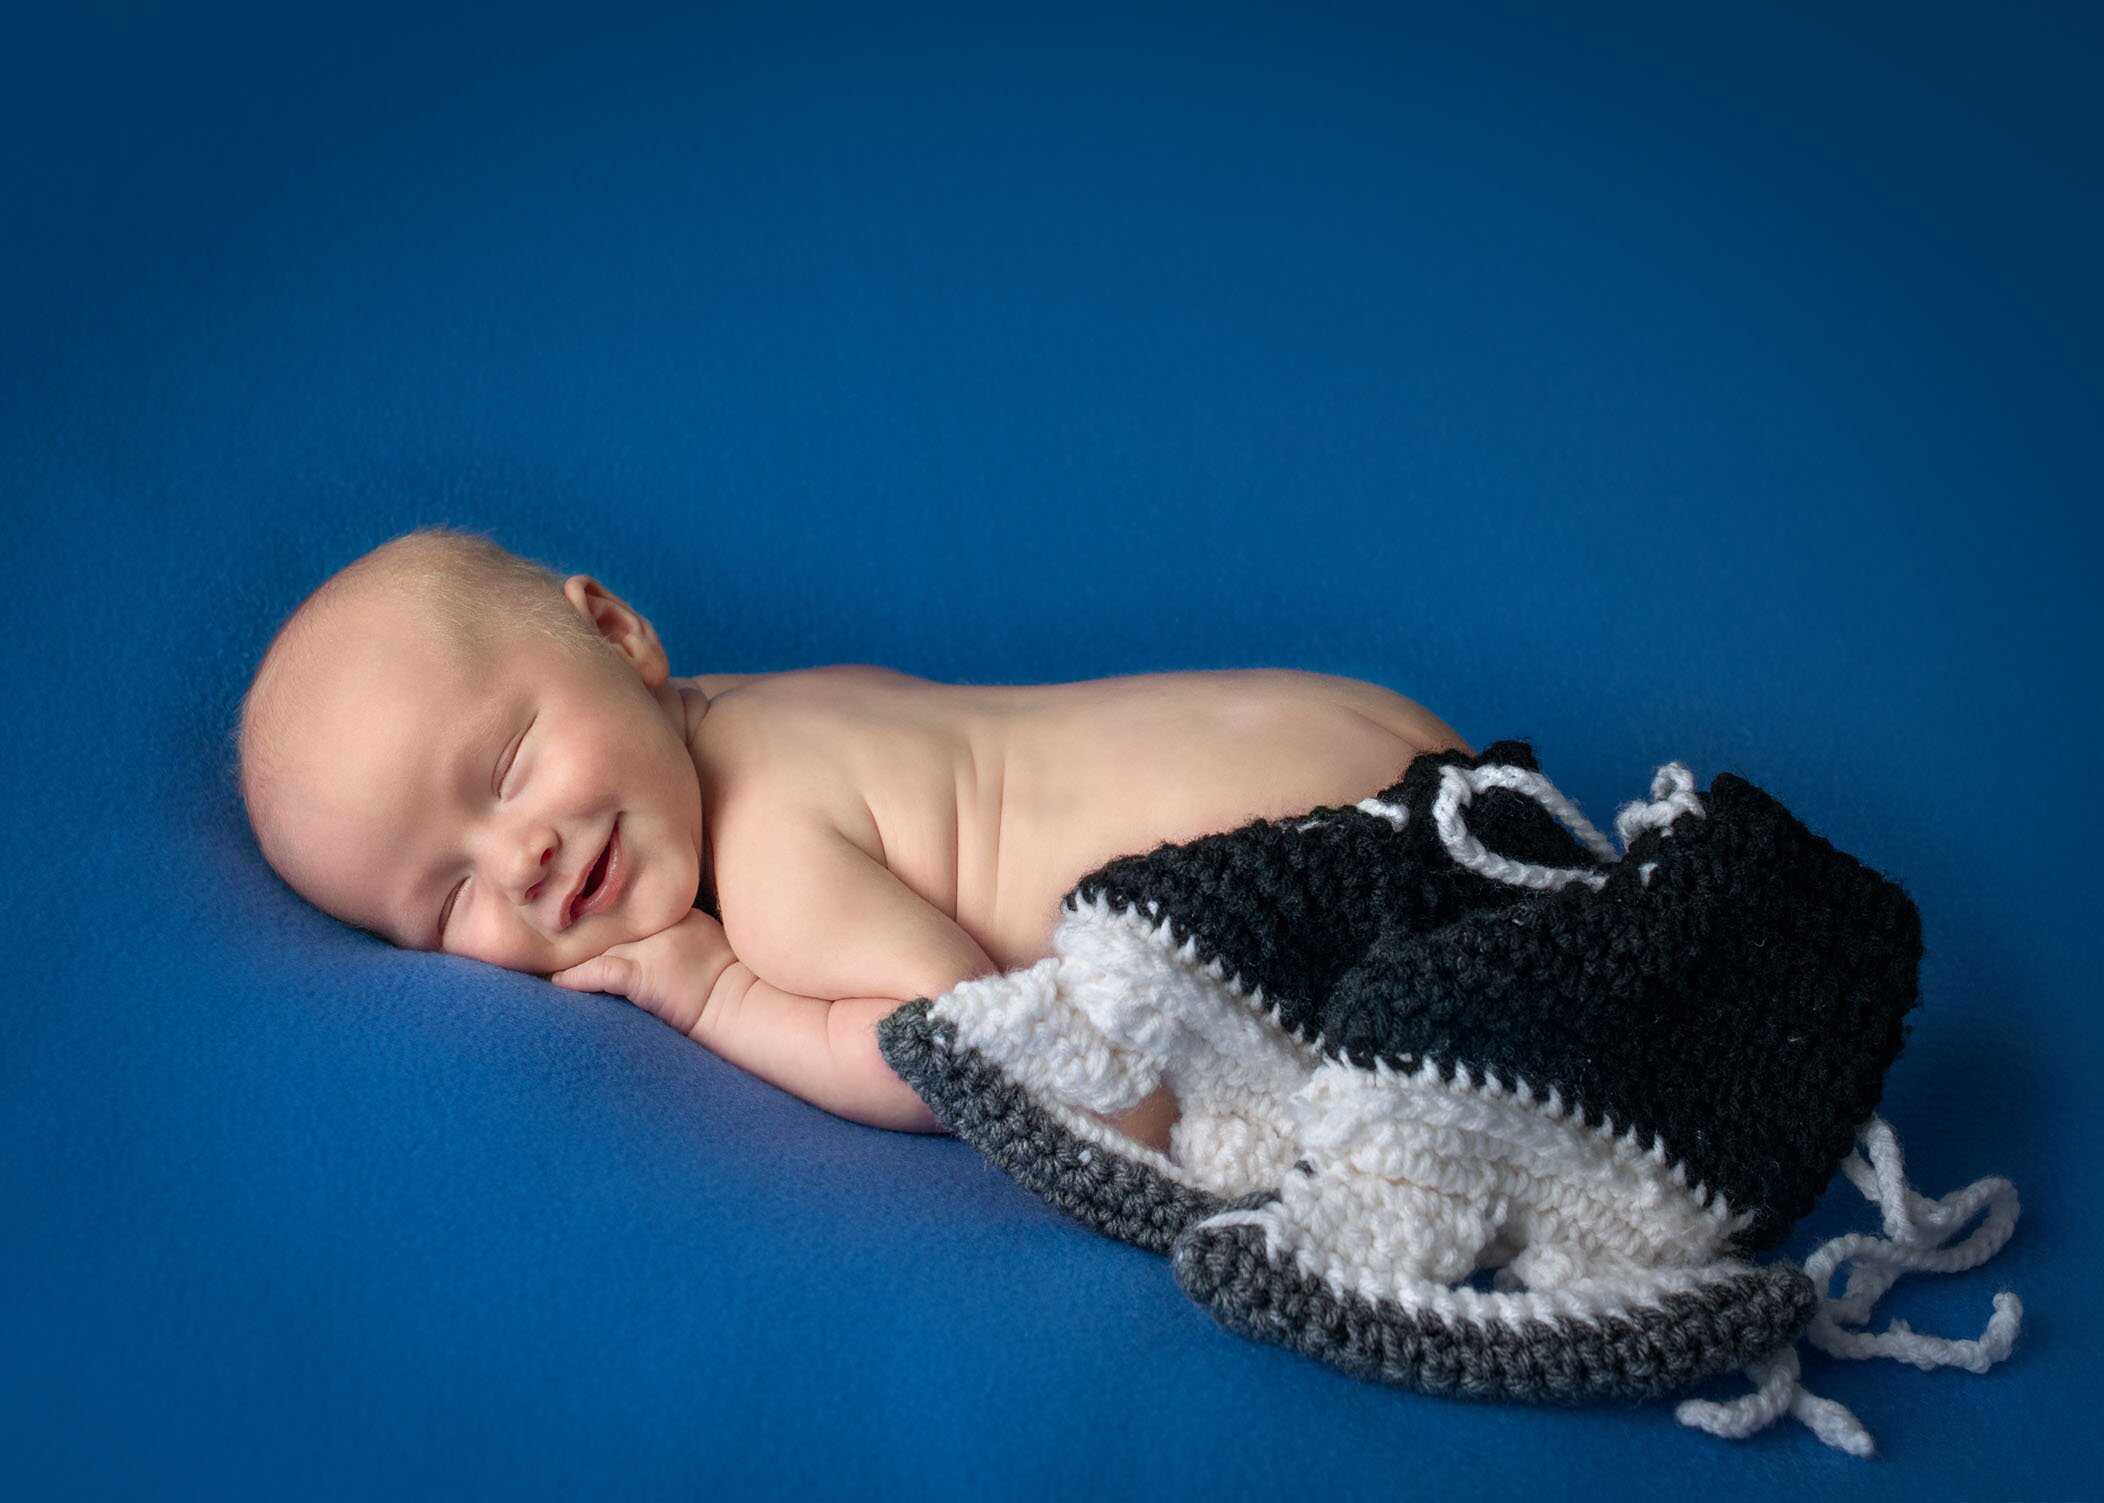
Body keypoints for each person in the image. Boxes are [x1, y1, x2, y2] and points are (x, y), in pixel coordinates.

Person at [235, 526, 1471, 1154]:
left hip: (1331, 873)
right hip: (1369, 735)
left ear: (615, 634)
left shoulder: (769, 842)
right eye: (450, 899)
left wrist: (716, 994)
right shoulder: (780, 705)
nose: (522, 861)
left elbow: (955, 1043)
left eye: (509, 769)